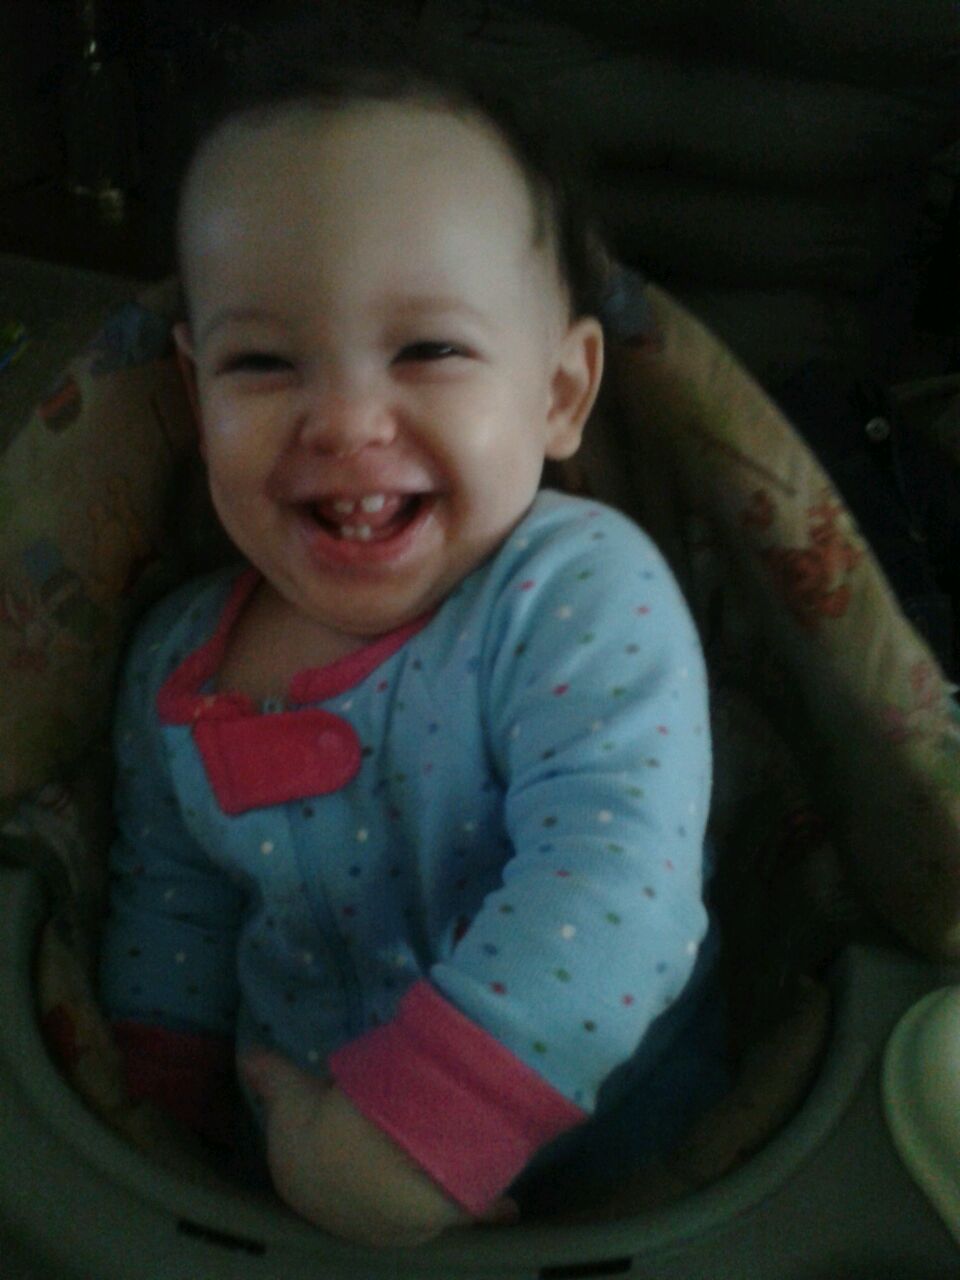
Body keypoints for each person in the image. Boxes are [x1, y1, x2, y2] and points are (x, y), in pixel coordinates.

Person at [98, 64, 725, 1247]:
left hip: (621, 1160)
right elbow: (171, 904)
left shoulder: (578, 592)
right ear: (191, 388)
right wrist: (150, 1125)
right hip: (282, 1165)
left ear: (559, 391)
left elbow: (616, 877)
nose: (343, 420)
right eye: (261, 362)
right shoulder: (173, 658)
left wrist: (417, 1132)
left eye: (429, 346)